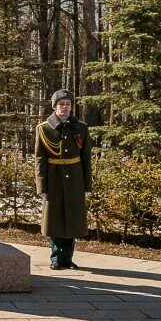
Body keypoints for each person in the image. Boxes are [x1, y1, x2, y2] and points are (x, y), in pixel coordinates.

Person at [34, 89, 92, 270]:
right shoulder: (44, 129)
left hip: (75, 180)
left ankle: (68, 258)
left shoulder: (81, 128)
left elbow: (86, 158)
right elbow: (40, 159)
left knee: (73, 219)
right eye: (61, 104)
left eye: (68, 104)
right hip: (54, 179)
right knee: (55, 220)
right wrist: (41, 185)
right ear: (54, 107)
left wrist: (87, 184)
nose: (65, 108)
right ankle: (56, 258)